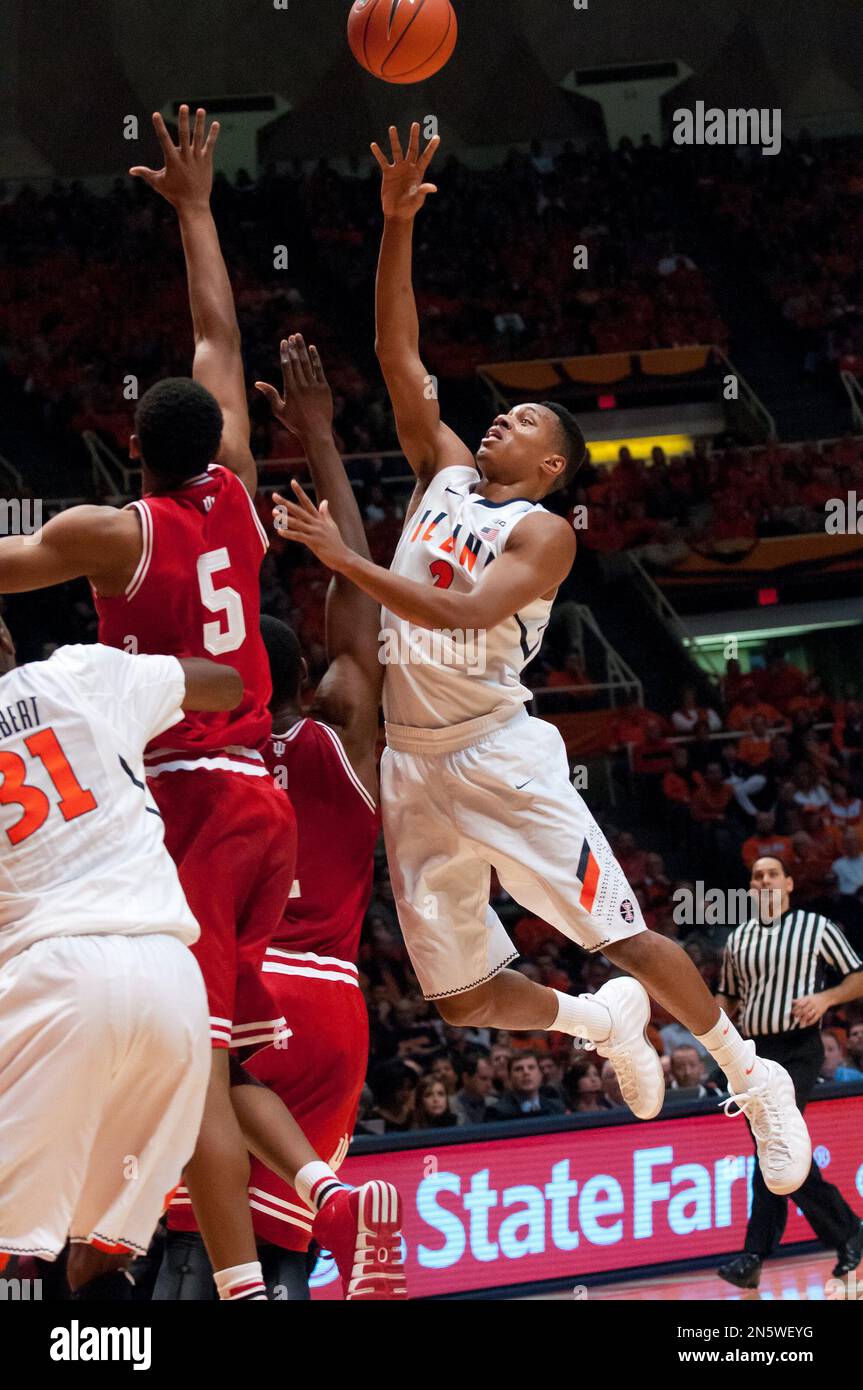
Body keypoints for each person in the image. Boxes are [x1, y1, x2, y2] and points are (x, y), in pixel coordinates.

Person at [275, 121, 813, 1203]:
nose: (496, 422)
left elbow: (459, 607)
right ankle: (593, 1023)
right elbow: (396, 357)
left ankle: (754, 1081)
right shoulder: (442, 470)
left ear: (553, 464)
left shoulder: (545, 534)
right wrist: (392, 228)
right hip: (414, 771)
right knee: (464, 999)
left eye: (518, 419)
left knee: (624, 934)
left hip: (497, 757)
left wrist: (343, 557)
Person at [0, 111, 389, 1302]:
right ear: (212, 440)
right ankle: (319, 1195)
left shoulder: (112, 535)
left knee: (206, 1076)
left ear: (127, 441)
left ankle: (231, 1289)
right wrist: (195, 208)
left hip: (180, 811)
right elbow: (218, 330)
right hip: (259, 796)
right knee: (214, 1053)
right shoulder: (236, 495)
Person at [154, 336, 405, 1301]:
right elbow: (357, 599)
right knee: (285, 1252)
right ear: (309, 679)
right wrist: (324, 441)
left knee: (198, 1252)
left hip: (236, 1005)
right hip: (333, 1008)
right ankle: (332, 1207)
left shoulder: (205, 755)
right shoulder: (340, 737)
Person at [0, 622, 239, 1298]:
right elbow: (225, 684)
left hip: (52, 981)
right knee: (101, 1249)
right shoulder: (81, 674)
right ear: (9, 637)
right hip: (170, 982)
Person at [716, 855, 863, 1289]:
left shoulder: (816, 927)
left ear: (789, 883)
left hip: (799, 1049)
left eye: (772, 874)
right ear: (750, 887)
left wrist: (826, 999)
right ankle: (848, 1228)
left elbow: (857, 976)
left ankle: (753, 1255)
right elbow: (726, 998)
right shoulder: (738, 938)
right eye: (757, 875)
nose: (764, 880)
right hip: (755, 1052)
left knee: (776, 1141)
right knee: (774, 1149)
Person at [494, 1052, 566, 1120]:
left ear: (540, 1075)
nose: (526, 1072)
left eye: (531, 1067)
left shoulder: (557, 1107)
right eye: (518, 1069)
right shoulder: (497, 1112)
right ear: (510, 1078)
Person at [452, 1046, 497, 1126]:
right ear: (466, 1078)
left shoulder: (495, 1103)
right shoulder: (449, 1106)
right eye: (483, 1079)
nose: (489, 1085)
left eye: (491, 1079)